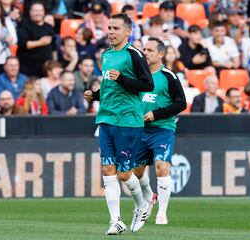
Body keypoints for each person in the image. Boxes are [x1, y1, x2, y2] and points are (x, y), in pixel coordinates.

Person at [84, 13, 154, 235]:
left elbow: (147, 84)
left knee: (124, 174)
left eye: (116, 28)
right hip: (106, 118)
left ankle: (143, 204)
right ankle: (115, 221)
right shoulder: (105, 55)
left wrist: (122, 78)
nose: (111, 32)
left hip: (128, 120)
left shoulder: (133, 54)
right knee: (107, 169)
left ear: (128, 31)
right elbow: (109, 88)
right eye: (110, 28)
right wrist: (95, 96)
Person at [133, 37, 186, 225]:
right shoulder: (138, 75)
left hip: (162, 129)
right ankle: (150, 196)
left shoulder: (169, 76)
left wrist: (156, 114)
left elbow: (181, 103)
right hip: (139, 130)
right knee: (135, 172)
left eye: (150, 50)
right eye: (144, 49)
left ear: (161, 54)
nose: (145, 53)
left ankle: (162, 214)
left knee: (162, 166)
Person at [17, 2, 56, 77]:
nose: (38, 13)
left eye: (40, 11)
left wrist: (53, 62)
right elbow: (23, 44)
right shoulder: (24, 25)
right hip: (28, 67)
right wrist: (40, 42)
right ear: (30, 12)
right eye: (35, 11)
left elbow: (53, 48)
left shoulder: (49, 27)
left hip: (45, 67)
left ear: (44, 12)